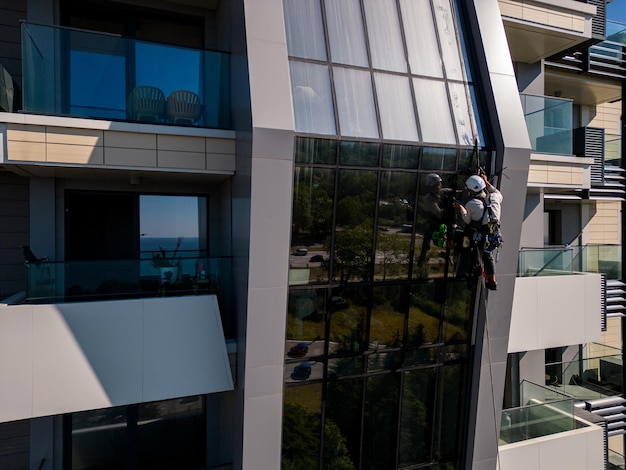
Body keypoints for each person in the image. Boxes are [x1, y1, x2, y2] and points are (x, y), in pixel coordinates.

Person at [453, 172, 502, 290]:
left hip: (480, 238)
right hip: (494, 237)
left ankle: (472, 274)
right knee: (488, 255)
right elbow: (496, 192)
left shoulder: (472, 204)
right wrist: (486, 181)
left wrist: (460, 208)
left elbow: (467, 220)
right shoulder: (494, 198)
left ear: (472, 191)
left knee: (462, 240)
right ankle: (492, 280)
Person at [417, 173, 455, 268]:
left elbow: (454, 192)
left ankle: (450, 253)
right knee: (427, 234)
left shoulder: (442, 192)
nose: (439, 187)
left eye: (439, 184)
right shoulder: (428, 199)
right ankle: (422, 259)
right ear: (431, 187)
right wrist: (450, 205)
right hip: (434, 221)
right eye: (437, 185)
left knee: (454, 232)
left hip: (443, 221)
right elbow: (439, 214)